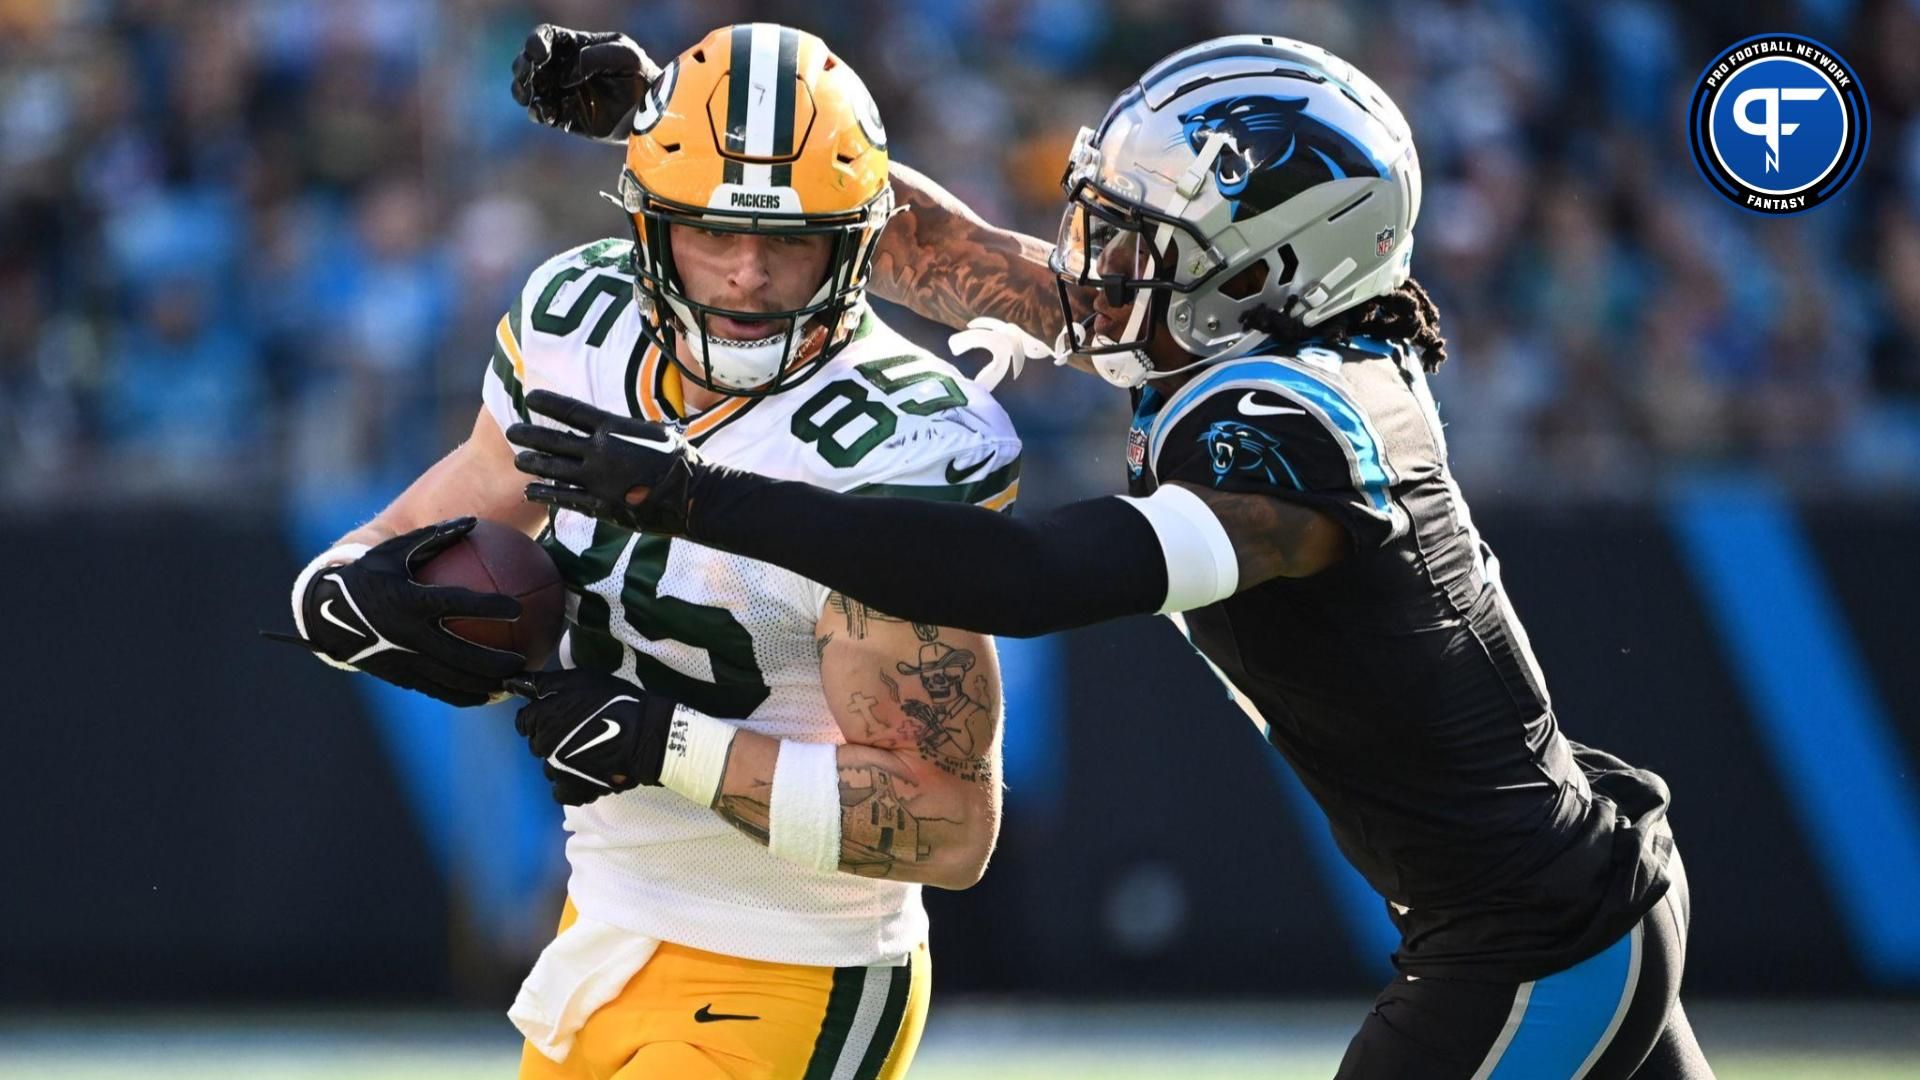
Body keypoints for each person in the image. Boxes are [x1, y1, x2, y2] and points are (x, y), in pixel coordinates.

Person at [509, 33, 1713, 1079]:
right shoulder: (1243, 341)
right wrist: (679, 117)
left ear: (1262, 271)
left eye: (1141, 239)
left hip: (1530, 938)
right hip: (1557, 905)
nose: (1093, 261)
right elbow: (931, 246)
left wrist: (688, 494)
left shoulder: (1293, 431)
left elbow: (1023, 581)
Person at [286, 24, 1023, 1080]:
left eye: (794, 239)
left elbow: (950, 827)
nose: (749, 272)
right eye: (709, 232)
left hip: (793, 965)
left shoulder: (904, 443)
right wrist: (341, 600)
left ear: (857, 242)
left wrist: (670, 747)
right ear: (644, 228)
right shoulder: (579, 324)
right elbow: (411, 531)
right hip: (606, 931)